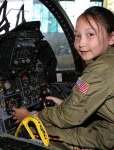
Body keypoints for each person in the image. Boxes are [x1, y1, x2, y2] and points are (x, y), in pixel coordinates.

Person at [12, 6, 114, 149]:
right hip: (108, 124)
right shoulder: (108, 60)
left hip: (110, 134)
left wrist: (32, 116)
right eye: (77, 36)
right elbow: (81, 106)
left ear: (111, 38)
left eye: (90, 34)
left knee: (31, 132)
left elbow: (70, 116)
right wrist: (66, 105)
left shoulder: (99, 70)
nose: (81, 43)